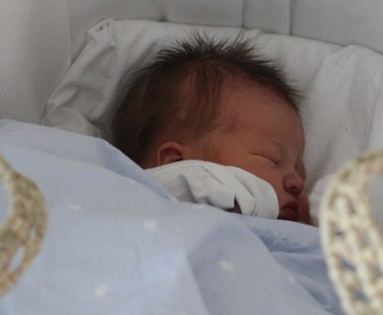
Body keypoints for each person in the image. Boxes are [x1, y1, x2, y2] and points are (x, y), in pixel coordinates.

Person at [111, 33, 311, 224]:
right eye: (271, 159)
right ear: (176, 164)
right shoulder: (137, 207)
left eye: (299, 171)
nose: (298, 182)